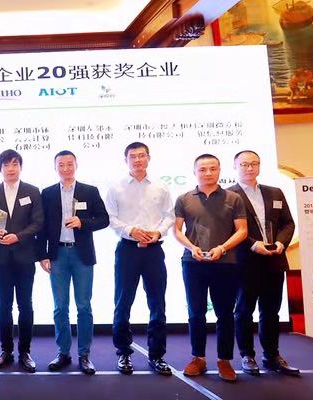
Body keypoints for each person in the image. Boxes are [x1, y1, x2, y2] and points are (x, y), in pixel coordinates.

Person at [173, 153, 247, 382]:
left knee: (224, 313)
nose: (208, 173)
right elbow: (176, 230)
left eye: (212, 168)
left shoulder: (233, 198)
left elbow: (242, 230)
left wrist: (222, 248)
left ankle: (224, 360)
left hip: (225, 263)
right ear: (194, 172)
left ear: (219, 170)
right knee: (196, 312)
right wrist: (191, 247)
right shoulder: (184, 199)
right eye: (202, 169)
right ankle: (198, 358)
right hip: (193, 262)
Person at [105, 142, 174, 376]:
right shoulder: (115, 187)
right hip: (127, 250)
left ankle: (157, 355)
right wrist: (131, 230)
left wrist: (158, 233)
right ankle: (123, 352)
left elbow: (169, 216)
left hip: (154, 250)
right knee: (123, 302)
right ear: (126, 160)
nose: (137, 160)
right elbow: (111, 218)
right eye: (132, 156)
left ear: (148, 158)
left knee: (157, 303)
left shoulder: (161, 187)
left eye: (141, 156)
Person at [228, 150, 299, 376]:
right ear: (235, 167)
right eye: (244, 164)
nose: (250, 168)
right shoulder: (228, 195)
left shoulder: (274, 192)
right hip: (244, 261)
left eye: (254, 163)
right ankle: (247, 355)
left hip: (274, 259)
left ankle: (271, 355)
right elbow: (229, 229)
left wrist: (281, 243)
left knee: (271, 311)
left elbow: (288, 223)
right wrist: (252, 244)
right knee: (243, 311)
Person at [39, 150, 109, 374]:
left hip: (82, 255)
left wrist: (82, 222)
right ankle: (63, 352)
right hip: (57, 254)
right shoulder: (47, 193)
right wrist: (42, 254)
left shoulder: (89, 191)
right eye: (61, 164)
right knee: (60, 307)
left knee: (83, 306)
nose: (66, 168)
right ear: (55, 167)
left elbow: (104, 219)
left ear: (76, 165)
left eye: (69, 164)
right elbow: (41, 226)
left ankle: (84, 354)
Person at [0, 149, 44, 373]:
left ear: (21, 167)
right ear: (0, 168)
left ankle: (25, 352)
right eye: (6, 165)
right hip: (0, 258)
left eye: (15, 164)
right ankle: (5, 351)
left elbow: (38, 223)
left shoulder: (32, 191)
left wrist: (18, 236)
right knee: (4, 305)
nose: (10, 169)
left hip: (25, 256)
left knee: (25, 305)